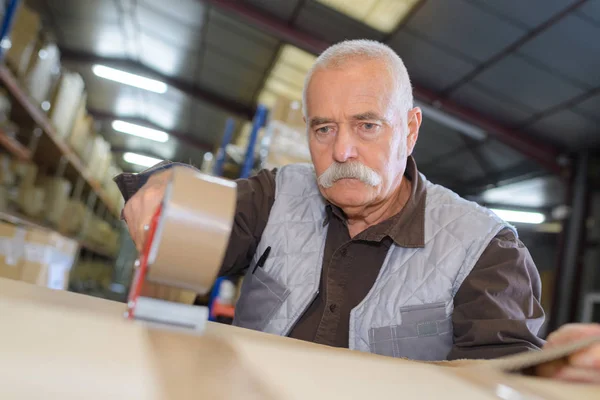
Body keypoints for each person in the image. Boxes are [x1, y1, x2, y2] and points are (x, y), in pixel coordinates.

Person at [116, 40, 600, 382]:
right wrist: (166, 185)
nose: (342, 150)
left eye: (367, 125)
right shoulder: (275, 196)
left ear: (410, 130)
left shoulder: (484, 248)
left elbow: (502, 375)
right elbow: (196, 214)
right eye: (323, 129)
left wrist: (552, 371)